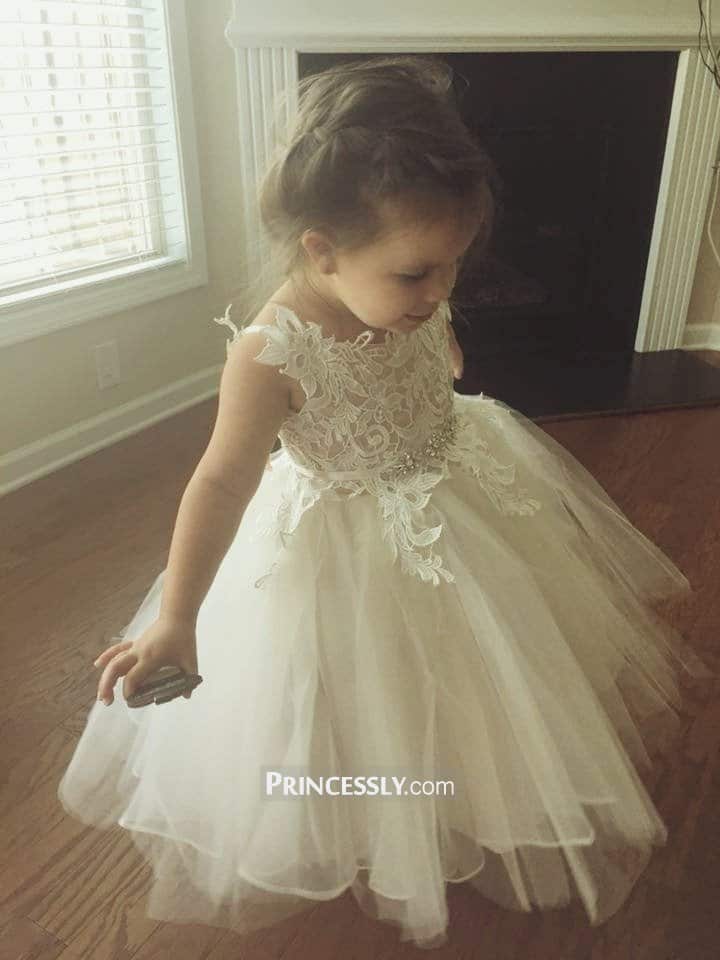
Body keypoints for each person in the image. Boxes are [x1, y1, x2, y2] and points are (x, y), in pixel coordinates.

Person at [57, 55, 714, 949]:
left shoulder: (406, 291)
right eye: (416, 275)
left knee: (484, 665)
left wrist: (428, 338)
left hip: (455, 492)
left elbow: (434, 352)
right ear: (321, 252)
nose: (440, 292)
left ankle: (467, 786)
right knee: (360, 687)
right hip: (345, 534)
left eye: (453, 268)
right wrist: (177, 616)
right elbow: (219, 480)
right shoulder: (270, 353)